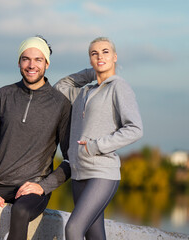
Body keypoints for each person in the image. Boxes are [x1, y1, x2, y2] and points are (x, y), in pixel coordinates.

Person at [0, 35, 72, 240]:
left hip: (32, 189)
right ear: (19, 62)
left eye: (38, 59)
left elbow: (71, 160)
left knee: (20, 212)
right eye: (26, 59)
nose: (31, 65)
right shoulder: (3, 96)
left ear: (47, 64)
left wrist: (42, 187)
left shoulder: (60, 104)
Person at [54, 37, 143, 240]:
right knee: (94, 235)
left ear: (114, 57)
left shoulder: (119, 87)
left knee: (73, 229)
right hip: (79, 173)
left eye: (105, 52)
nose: (99, 56)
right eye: (94, 54)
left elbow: (135, 129)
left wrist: (95, 146)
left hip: (102, 173)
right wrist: (92, 73)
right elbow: (60, 87)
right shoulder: (84, 91)